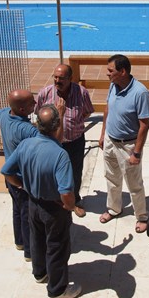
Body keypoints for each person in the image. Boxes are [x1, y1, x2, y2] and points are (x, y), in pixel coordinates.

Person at [1, 104, 82, 298]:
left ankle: (40, 273)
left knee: (37, 240)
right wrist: (70, 206)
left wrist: (22, 185)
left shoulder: (26, 144)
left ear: (37, 125)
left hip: (33, 203)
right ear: (57, 126)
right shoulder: (60, 155)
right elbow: (66, 192)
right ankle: (57, 290)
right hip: (54, 209)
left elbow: (6, 171)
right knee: (57, 246)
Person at [99, 54, 149, 233]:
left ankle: (142, 216)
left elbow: (144, 124)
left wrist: (136, 152)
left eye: (110, 70)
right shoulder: (113, 85)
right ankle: (114, 209)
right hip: (110, 141)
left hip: (128, 146)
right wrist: (102, 134)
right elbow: (107, 109)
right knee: (111, 178)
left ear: (122, 71)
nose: (107, 74)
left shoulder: (140, 93)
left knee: (134, 184)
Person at [35, 64, 94, 218]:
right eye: (55, 77)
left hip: (75, 141)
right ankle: (57, 200)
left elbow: (87, 112)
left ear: (70, 78)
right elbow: (38, 114)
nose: (57, 80)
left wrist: (74, 123)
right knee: (52, 173)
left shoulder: (81, 93)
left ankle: (75, 202)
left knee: (75, 172)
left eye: (61, 78)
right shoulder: (45, 93)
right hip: (52, 143)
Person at [0, 90, 38, 262]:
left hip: (10, 177)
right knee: (28, 215)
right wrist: (59, 116)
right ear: (23, 109)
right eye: (32, 102)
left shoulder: (4, 114)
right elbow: (50, 140)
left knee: (17, 209)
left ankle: (19, 242)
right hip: (22, 179)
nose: (35, 104)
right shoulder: (27, 130)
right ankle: (30, 252)